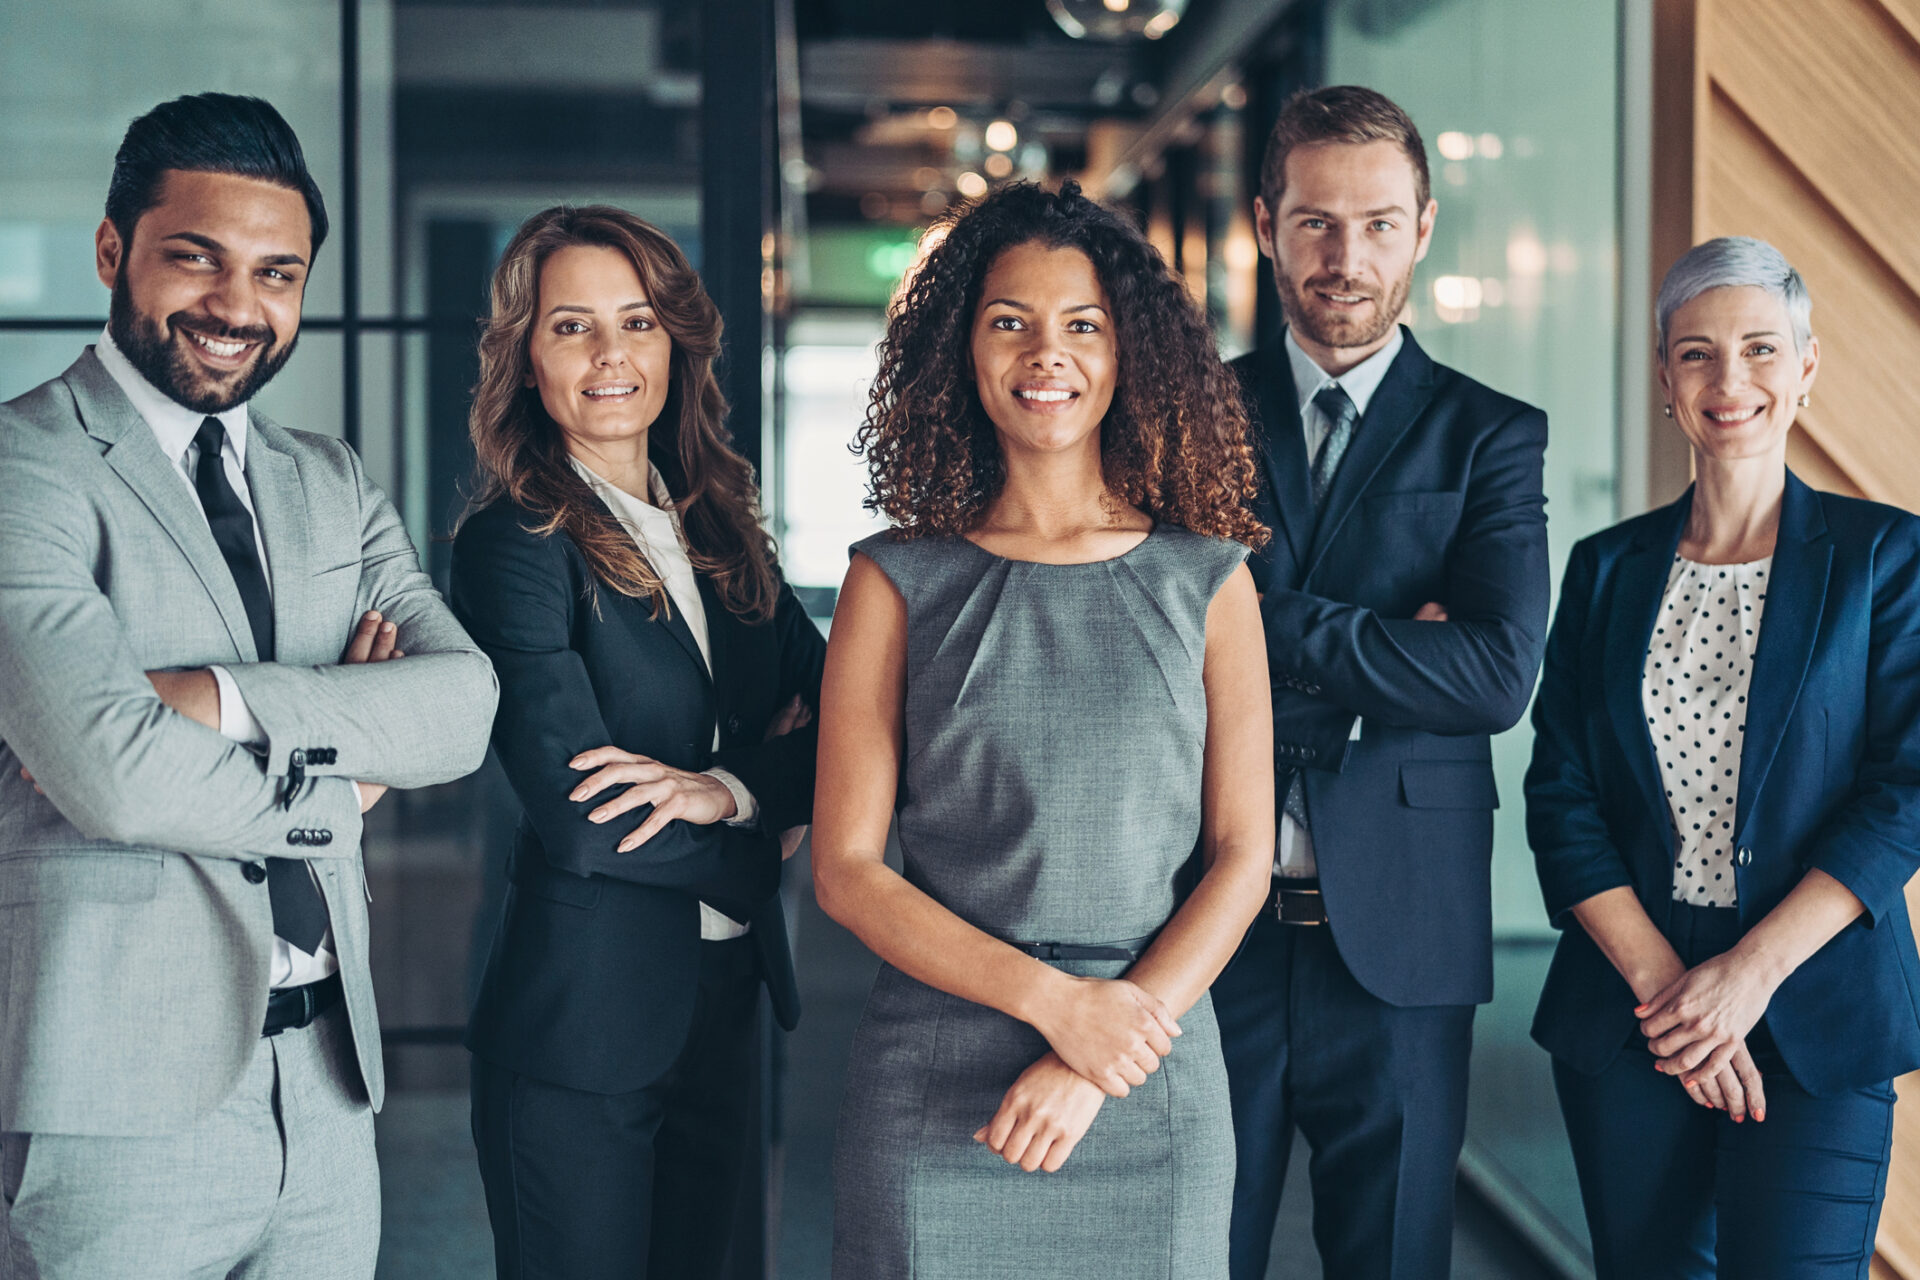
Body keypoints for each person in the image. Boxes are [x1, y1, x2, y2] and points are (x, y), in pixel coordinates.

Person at [0, 93, 498, 1279]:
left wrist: (215, 696)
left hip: (325, 1087)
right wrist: (351, 787)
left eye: (278, 273)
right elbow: (110, 772)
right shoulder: (27, 463)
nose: (238, 306)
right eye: (197, 259)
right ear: (115, 250)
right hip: (112, 1098)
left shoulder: (327, 479)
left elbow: (465, 703)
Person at [813, 180, 1275, 1278]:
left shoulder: (1208, 580)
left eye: (1082, 325)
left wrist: (1103, 1046)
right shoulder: (895, 578)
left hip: (1146, 1061)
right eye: (1008, 321)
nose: (1044, 353)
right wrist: (1057, 1007)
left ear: (1130, 356)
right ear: (959, 352)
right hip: (938, 1072)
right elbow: (843, 868)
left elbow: (1243, 855)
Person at [1527, 235, 1920, 1278]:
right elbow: (1558, 794)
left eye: (1758, 347)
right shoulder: (1604, 568)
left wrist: (1746, 978)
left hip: (1817, 998)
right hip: (1631, 1007)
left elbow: (1906, 791)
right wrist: (1673, 993)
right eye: (1696, 353)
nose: (1729, 379)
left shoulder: (1888, 556)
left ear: (1806, 365)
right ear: (1664, 376)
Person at [1212, 85, 1552, 1279]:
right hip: (1206, 926)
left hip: (1405, 937)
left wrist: (1258, 622)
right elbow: (1157, 645)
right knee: (1198, 1252)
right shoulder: (1190, 420)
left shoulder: (1491, 436)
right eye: (1314, 221)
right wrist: (1388, 644)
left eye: (1375, 223)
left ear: (1423, 225)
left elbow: (1495, 672)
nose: (1344, 256)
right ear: (1265, 223)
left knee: (1397, 1256)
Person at [450, 204, 825, 1280]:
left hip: (725, 1009)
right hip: (580, 1028)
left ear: (676, 343)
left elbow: (852, 718)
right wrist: (767, 838)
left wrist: (725, 789)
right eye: (572, 326)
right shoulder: (516, 545)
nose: (612, 355)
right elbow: (581, 820)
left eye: (639, 322)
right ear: (526, 356)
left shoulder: (721, 529)